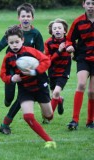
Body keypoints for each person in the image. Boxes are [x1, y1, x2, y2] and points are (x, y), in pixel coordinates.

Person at [0, 3, 44, 134]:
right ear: (19, 18)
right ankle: (7, 99)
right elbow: (1, 44)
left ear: (32, 17)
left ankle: (5, 124)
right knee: (9, 99)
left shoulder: (36, 33)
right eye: (23, 16)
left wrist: (36, 68)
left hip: (26, 71)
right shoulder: (13, 32)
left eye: (28, 16)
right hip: (11, 68)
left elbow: (41, 53)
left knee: (21, 97)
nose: (26, 18)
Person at [0, 25, 56, 148]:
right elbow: (2, 74)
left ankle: (57, 100)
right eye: (11, 42)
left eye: (17, 42)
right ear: (7, 43)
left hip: (40, 86)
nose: (14, 45)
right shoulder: (8, 58)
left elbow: (46, 61)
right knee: (28, 116)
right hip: (25, 89)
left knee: (49, 116)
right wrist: (11, 78)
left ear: (22, 40)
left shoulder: (30, 51)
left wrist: (34, 71)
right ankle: (49, 140)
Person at [66, 0, 94, 130]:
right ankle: (74, 120)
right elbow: (69, 39)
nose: (90, 6)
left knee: (92, 91)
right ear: (83, 4)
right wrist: (69, 46)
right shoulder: (78, 21)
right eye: (88, 3)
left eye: (93, 3)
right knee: (81, 84)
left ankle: (90, 121)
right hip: (83, 57)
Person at [44, 18, 71, 117]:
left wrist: (72, 50)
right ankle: (60, 100)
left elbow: (74, 49)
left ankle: (48, 116)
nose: (57, 30)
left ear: (64, 30)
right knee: (54, 96)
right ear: (52, 31)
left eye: (59, 28)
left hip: (63, 72)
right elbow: (48, 60)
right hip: (52, 72)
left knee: (55, 93)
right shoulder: (48, 43)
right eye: (54, 28)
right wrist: (59, 51)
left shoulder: (68, 41)